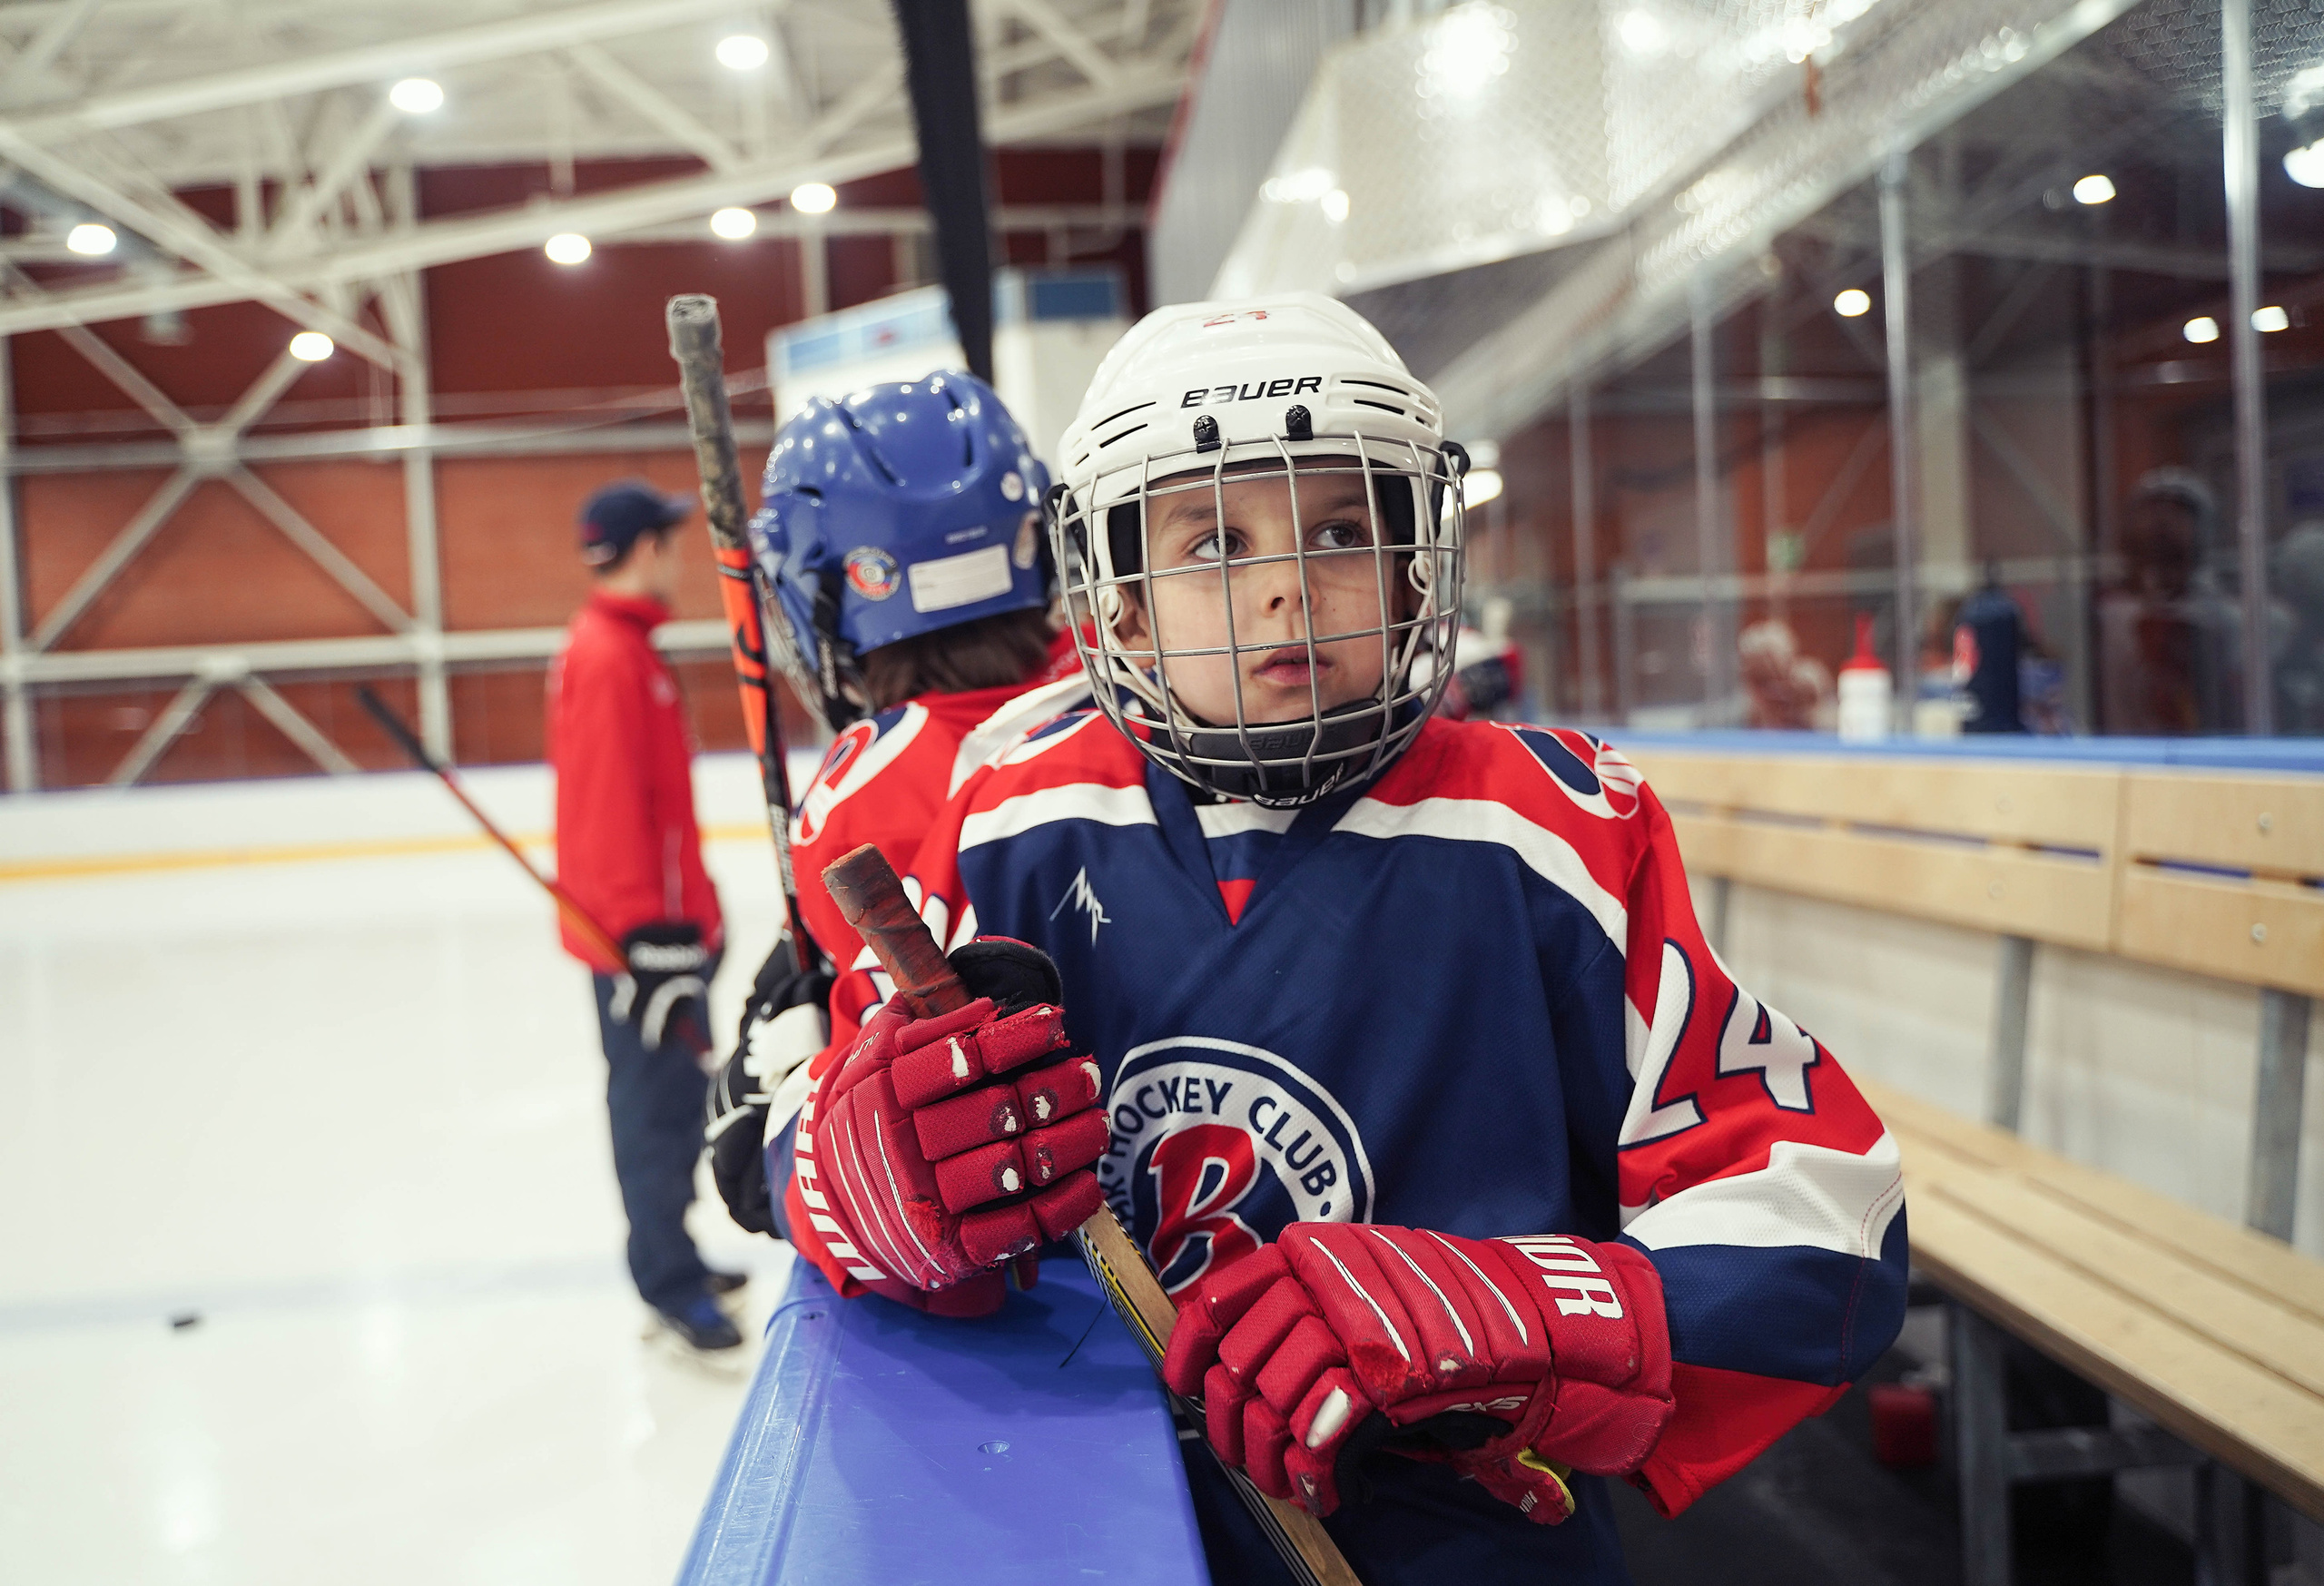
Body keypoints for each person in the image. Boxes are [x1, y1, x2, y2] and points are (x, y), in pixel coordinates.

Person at [778, 295, 1908, 1584]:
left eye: (1339, 529)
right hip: (1096, 1513)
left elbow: (1830, 1225)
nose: (1287, 587)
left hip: (1467, 1542)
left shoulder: (1558, 831)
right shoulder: (1009, 819)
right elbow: (836, 1127)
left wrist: (1520, 1309)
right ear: (1121, 606)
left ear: (1417, 560)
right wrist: (863, 1181)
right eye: (1216, 540)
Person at [700, 373, 1085, 1315]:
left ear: (831, 589)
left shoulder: (864, 786)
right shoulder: (1118, 690)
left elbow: (889, 1100)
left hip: (1016, 1268)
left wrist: (787, 1122)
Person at [548, 478, 739, 1359]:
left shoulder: (628, 648)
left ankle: (679, 1254)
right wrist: (648, 944)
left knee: (677, 1099)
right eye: (669, 540)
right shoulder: (608, 657)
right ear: (647, 548)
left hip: (664, 930)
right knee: (652, 1110)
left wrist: (695, 912)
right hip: (640, 944)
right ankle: (666, 1280)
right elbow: (606, 816)